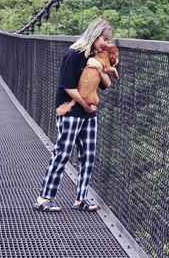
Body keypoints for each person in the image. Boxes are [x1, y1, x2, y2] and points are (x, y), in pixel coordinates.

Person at [34, 18, 115, 212]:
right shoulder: (74, 54)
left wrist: (100, 67)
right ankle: (43, 197)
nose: (106, 43)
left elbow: (107, 84)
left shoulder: (97, 56)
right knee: (62, 153)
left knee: (88, 155)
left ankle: (81, 199)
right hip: (70, 110)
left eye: (108, 40)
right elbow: (68, 87)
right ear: (94, 35)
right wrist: (85, 105)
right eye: (104, 38)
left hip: (88, 113)